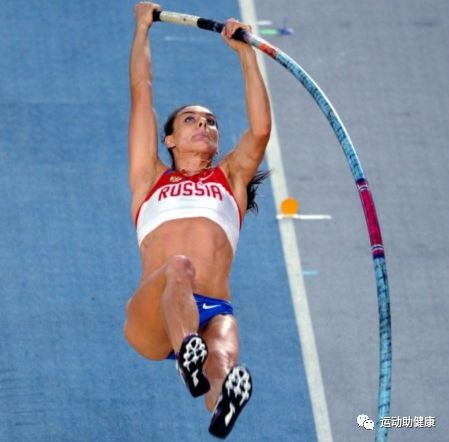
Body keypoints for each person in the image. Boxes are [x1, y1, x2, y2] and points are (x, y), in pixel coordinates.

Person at [123, 2, 271, 438]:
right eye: (191, 120)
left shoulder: (230, 179)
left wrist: (246, 53)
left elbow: (260, 131)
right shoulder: (149, 177)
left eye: (210, 122)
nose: (203, 125)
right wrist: (142, 28)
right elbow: (141, 91)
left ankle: (221, 401)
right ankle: (188, 350)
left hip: (211, 311)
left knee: (222, 353)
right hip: (154, 314)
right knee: (179, 267)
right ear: (170, 139)